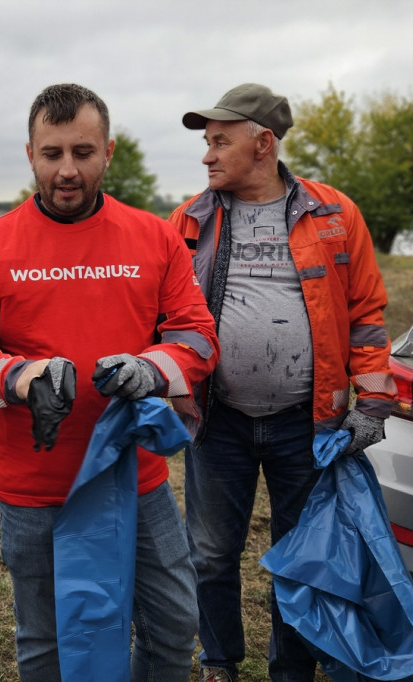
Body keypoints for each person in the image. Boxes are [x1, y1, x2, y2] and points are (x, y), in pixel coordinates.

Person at [0, 83, 220, 682]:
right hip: (34, 485)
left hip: (133, 478)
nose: (67, 170)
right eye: (52, 153)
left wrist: (149, 370)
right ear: (30, 153)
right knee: (46, 642)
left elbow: (196, 335)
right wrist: (19, 376)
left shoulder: (153, 237)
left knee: (173, 627)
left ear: (108, 152)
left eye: (83, 153)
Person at [168, 83, 395, 682]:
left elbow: (366, 315)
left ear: (263, 143)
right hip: (218, 420)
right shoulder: (189, 219)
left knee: (299, 558)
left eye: (221, 142)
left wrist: (370, 402)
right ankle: (219, 662)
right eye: (206, 143)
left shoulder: (335, 214)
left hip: (308, 423)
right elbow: (164, 315)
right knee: (211, 554)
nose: (207, 155)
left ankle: (290, 671)